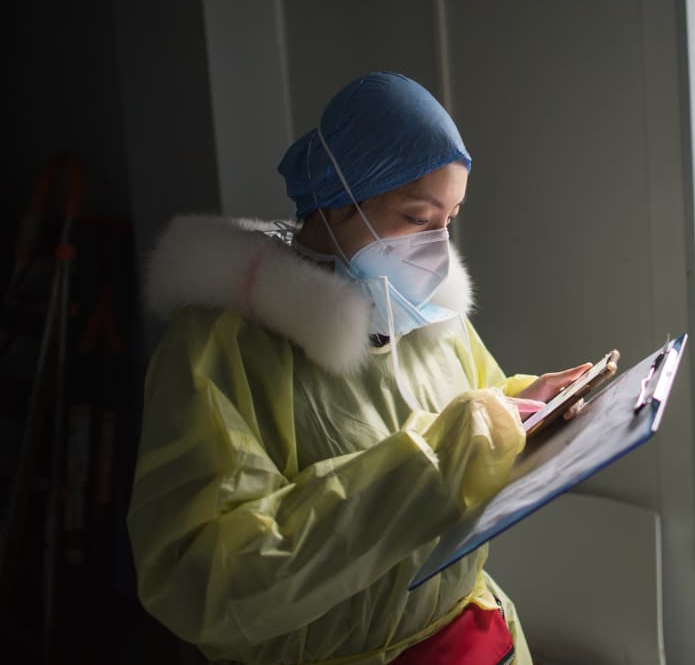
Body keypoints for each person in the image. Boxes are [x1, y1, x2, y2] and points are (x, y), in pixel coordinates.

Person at [126, 71, 592, 665]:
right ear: (339, 199)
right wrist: (436, 462)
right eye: (420, 219)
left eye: (450, 219)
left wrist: (529, 404)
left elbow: (471, 403)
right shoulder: (224, 346)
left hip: (477, 636)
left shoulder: (428, 312)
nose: (438, 249)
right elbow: (206, 583)